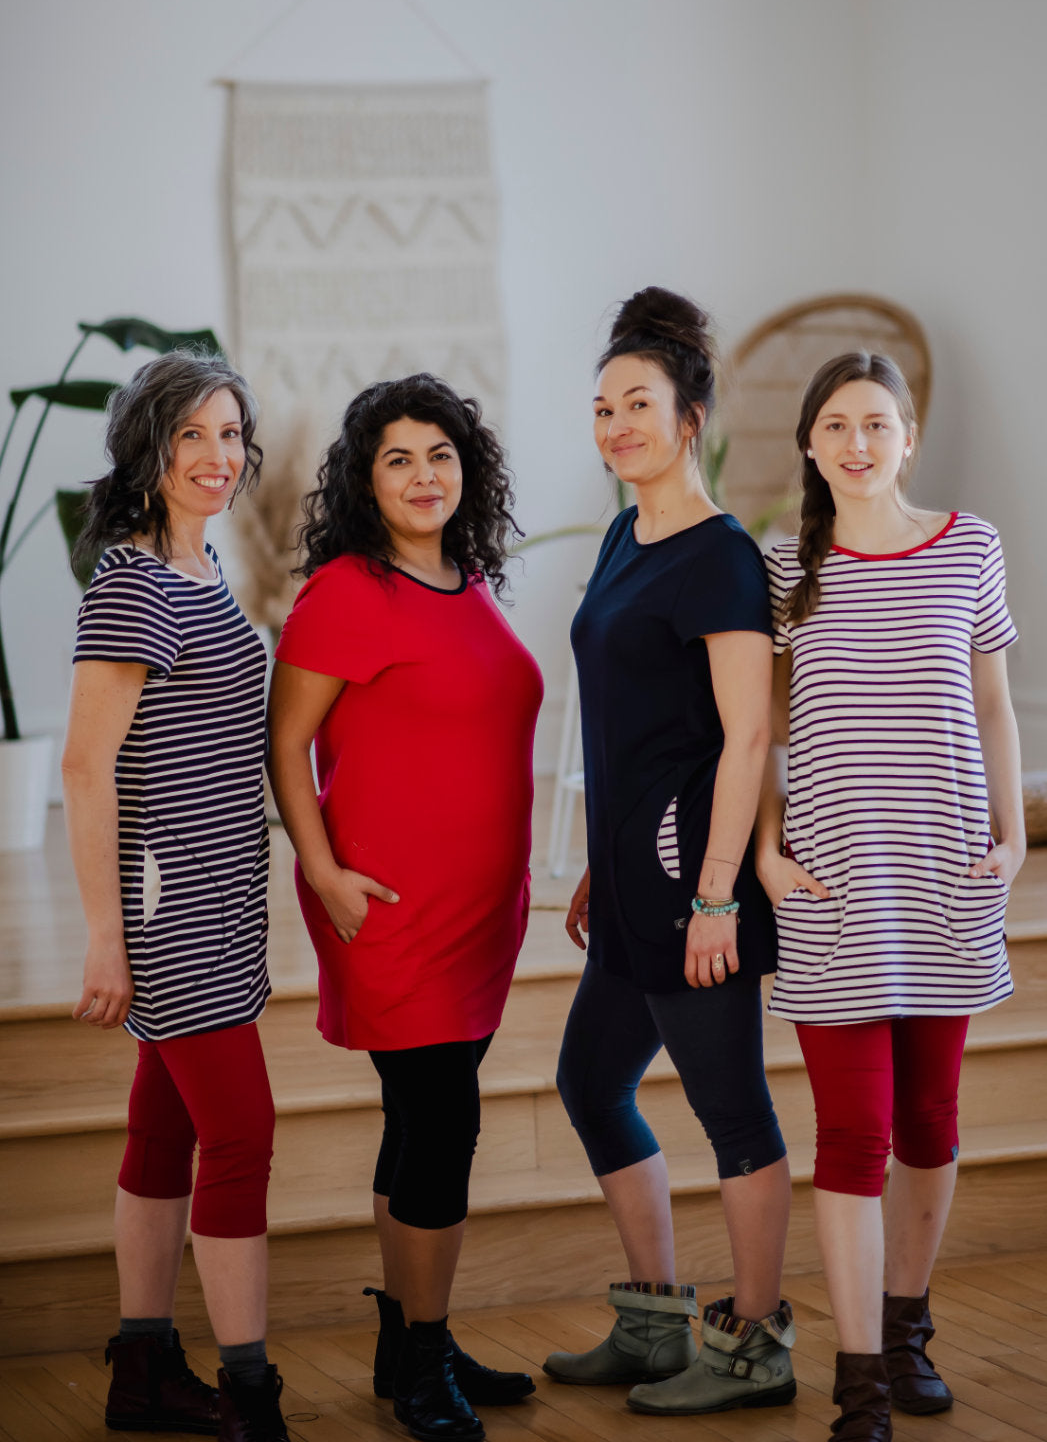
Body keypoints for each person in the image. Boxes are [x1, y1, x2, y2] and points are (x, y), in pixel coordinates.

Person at [266, 373, 543, 1442]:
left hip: (481, 912)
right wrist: (323, 870)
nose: (424, 475)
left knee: (420, 1120)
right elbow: (285, 743)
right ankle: (426, 1360)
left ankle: (408, 1339)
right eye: (398, 459)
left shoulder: (467, 578)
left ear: (467, 469)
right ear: (364, 480)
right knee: (444, 1125)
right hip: (388, 908)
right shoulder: (347, 589)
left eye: (440, 454)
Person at [757, 351, 1025, 1442]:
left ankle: (907, 1328)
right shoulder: (784, 566)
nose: (856, 442)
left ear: (908, 438)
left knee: (928, 1123)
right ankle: (860, 1380)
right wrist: (764, 851)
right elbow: (759, 730)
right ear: (810, 446)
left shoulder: (970, 545)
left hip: (946, 874)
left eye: (875, 423)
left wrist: (1012, 836)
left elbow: (994, 703)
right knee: (852, 1134)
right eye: (835, 425)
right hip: (832, 884)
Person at [542, 286, 796, 1416]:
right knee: (591, 1082)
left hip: (695, 885)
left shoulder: (720, 557)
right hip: (630, 881)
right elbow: (629, 724)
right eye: (602, 408)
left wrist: (716, 899)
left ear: (691, 417)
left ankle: (755, 1345)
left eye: (637, 404)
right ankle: (654, 1322)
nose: (615, 426)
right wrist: (604, 861)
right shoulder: (622, 535)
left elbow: (745, 738)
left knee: (731, 1112)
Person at [62, 351, 288, 1442]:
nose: (216, 455)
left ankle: (142, 1368)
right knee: (241, 1135)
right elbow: (84, 767)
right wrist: (106, 937)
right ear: (146, 450)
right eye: (191, 434)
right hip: (172, 913)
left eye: (230, 433)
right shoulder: (133, 584)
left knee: (163, 1131)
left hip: (222, 899)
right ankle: (249, 1390)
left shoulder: (197, 567)